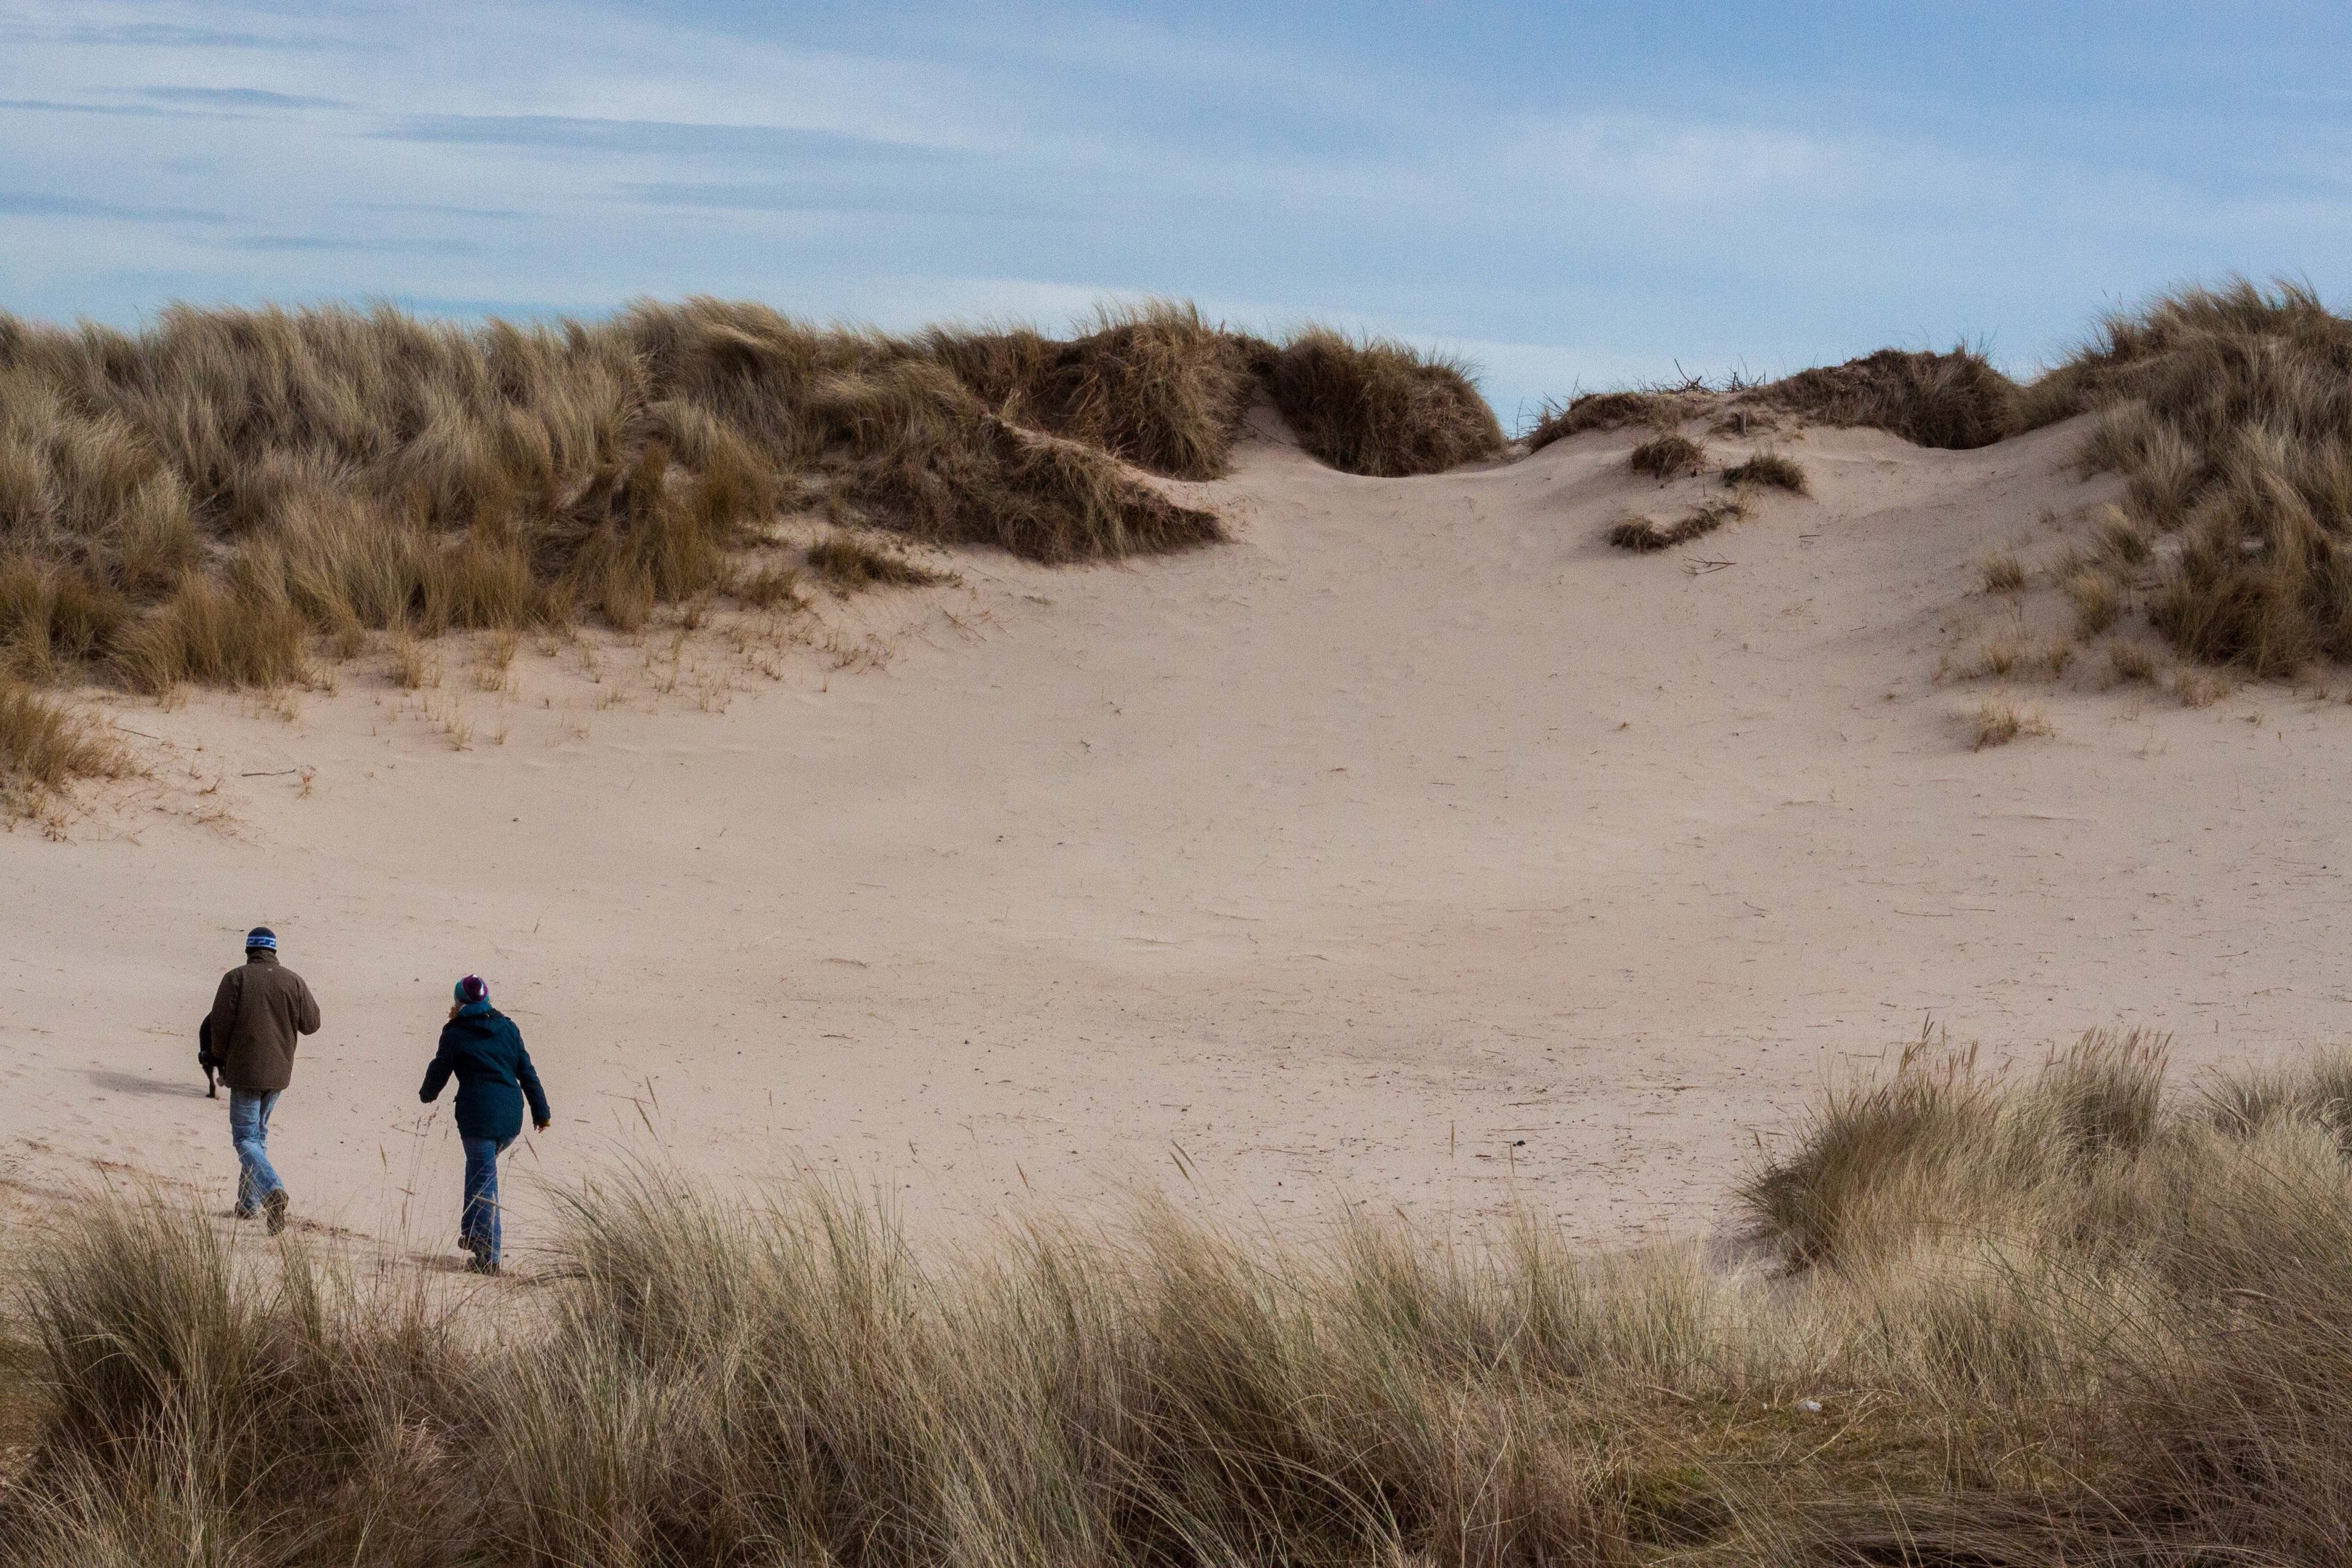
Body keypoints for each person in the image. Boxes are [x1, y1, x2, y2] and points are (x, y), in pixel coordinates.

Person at [419, 975, 550, 1274]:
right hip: (511, 1119)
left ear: (458, 1002)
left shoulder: (455, 1032)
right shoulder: (508, 1027)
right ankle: (472, 1234)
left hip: (478, 1117)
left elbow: (440, 1067)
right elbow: (527, 1072)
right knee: (479, 1173)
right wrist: (542, 1113)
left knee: (485, 1181)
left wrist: (428, 1094)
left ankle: (489, 1256)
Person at [203, 926, 322, 1234]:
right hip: (279, 1073)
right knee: (258, 1137)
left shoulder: (236, 978)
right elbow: (312, 1024)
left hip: (244, 1071)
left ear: (248, 951)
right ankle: (247, 1205)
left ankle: (272, 1191)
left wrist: (222, 1061)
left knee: (245, 1138)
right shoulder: (293, 980)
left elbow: (220, 1026)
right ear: (274, 951)